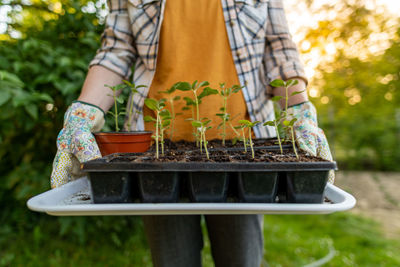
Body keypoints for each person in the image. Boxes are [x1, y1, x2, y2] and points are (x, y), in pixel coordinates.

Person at [50, 0, 334, 266]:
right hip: (155, 154)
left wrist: (300, 112)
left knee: (241, 258)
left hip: (246, 151)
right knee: (173, 259)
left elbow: (279, 50)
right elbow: (117, 49)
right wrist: (82, 115)